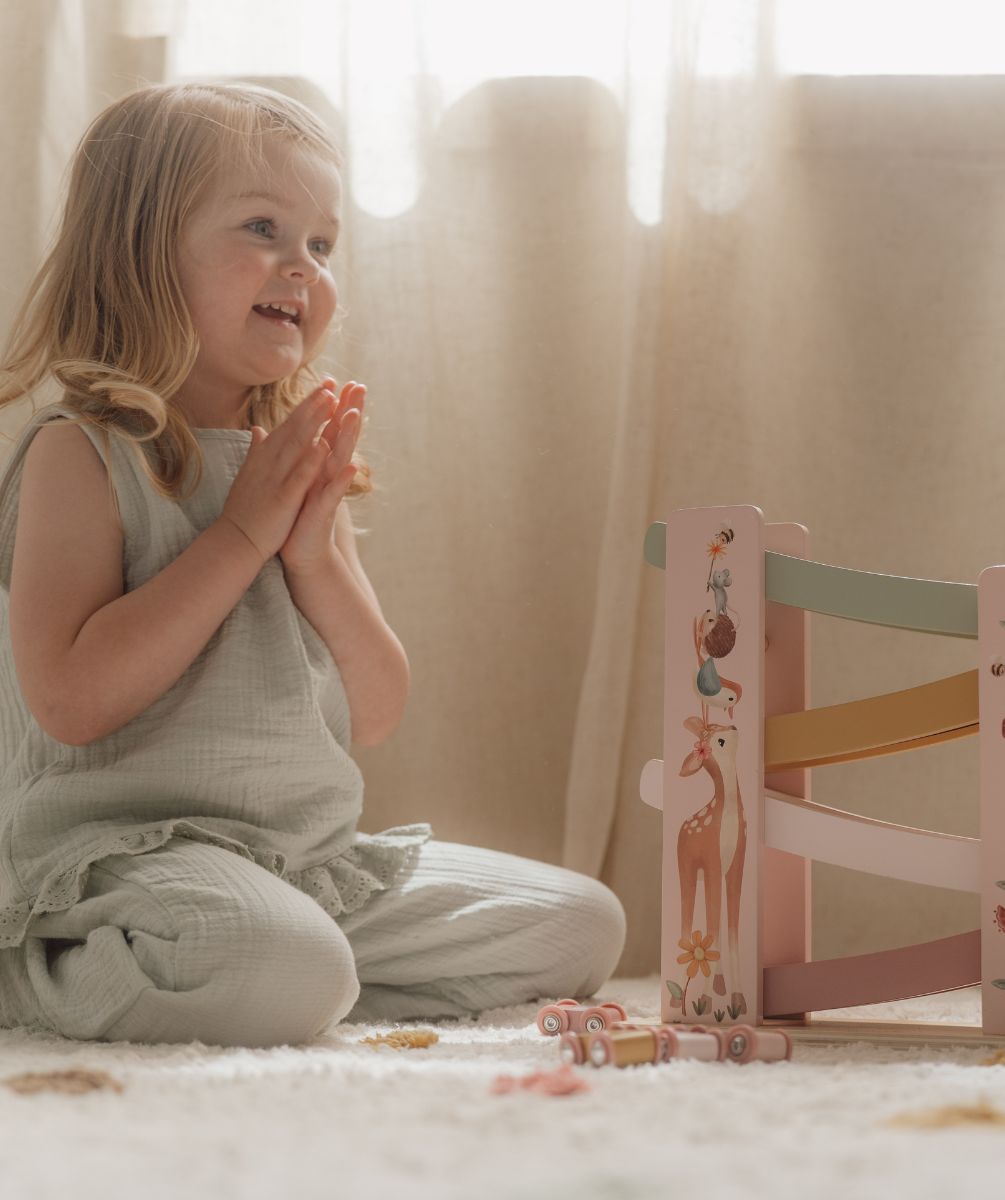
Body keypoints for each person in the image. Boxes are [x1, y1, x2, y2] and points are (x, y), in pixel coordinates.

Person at [0, 82, 625, 1048]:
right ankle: (45, 978)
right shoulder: (81, 455)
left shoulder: (287, 457)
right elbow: (72, 701)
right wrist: (240, 538)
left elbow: (375, 712)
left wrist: (311, 557)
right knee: (272, 958)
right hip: (124, 865)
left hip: (306, 862)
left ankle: (290, 974)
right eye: (264, 228)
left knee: (583, 922)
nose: (304, 268)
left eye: (322, 245)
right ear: (139, 251)